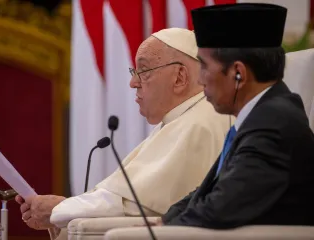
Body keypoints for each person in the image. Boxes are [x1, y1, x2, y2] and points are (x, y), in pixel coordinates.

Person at [16, 28, 231, 233]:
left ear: (179, 77)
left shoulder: (200, 124)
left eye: (143, 71)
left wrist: (58, 210)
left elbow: (129, 204)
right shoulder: (181, 121)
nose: (133, 82)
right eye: (134, 72)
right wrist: (59, 216)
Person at [159, 3, 314, 228]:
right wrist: (163, 221)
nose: (200, 79)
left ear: (238, 73)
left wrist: (161, 231)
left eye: (204, 67)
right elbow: (210, 190)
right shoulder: (262, 115)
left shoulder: (273, 124)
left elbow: (219, 208)